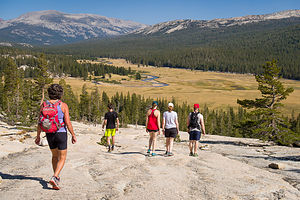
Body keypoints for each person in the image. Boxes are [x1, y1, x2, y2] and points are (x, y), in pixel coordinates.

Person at [35, 84, 77, 190]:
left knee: (54, 156)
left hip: (49, 133)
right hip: (61, 133)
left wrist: (38, 136)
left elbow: (40, 122)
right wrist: (73, 134)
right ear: (60, 94)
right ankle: (55, 177)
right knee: (62, 158)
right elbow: (67, 122)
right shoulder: (63, 105)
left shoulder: (44, 104)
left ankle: (56, 178)